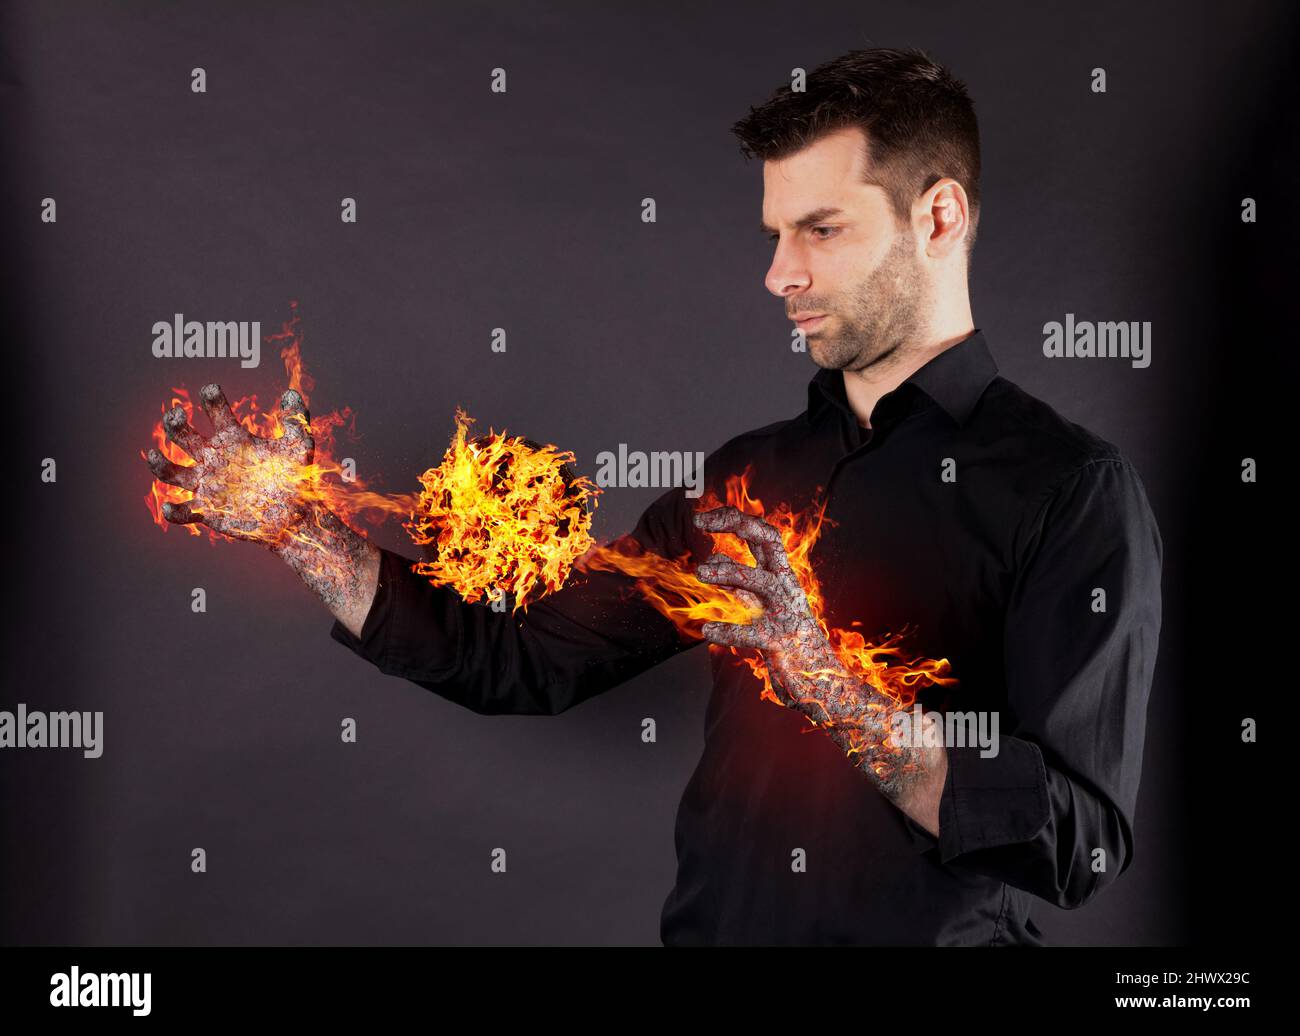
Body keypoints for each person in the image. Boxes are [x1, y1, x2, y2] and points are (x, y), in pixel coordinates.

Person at [144, 47, 1162, 946]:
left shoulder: (1070, 491)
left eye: (818, 230)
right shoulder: (741, 481)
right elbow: (518, 659)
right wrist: (297, 527)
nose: (778, 273)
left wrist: (830, 686)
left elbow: (1079, 845)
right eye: (774, 234)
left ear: (937, 216)